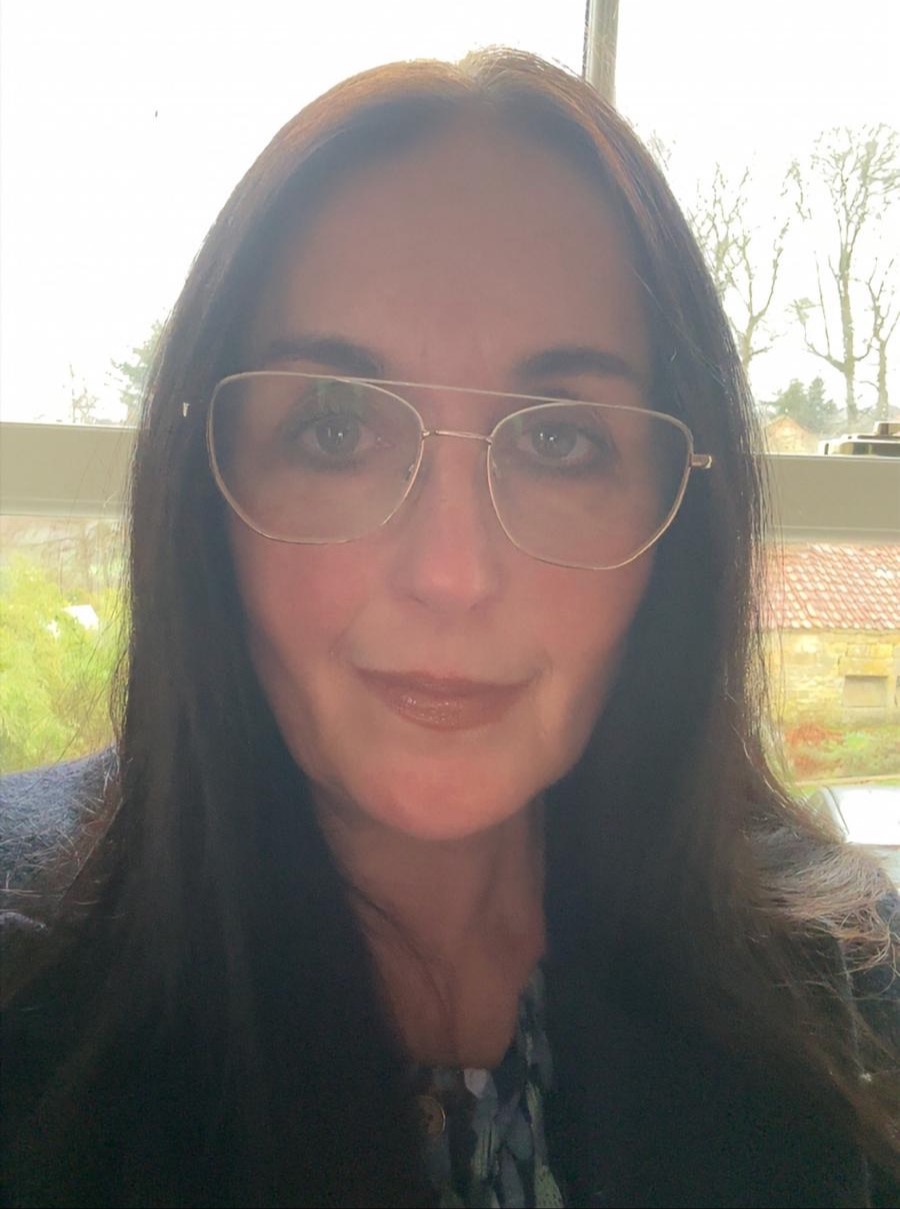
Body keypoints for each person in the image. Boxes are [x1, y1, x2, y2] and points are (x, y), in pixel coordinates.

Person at [1, 49, 897, 1209]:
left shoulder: (849, 1000)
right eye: (334, 429)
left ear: (678, 524)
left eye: (559, 440)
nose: (452, 575)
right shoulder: (26, 983)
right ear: (207, 492)